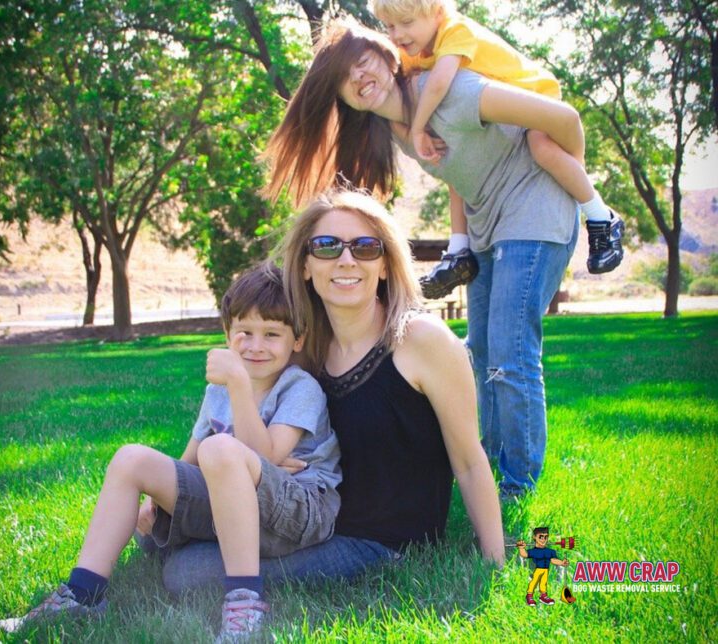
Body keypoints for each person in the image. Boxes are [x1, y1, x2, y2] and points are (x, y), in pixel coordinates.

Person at [262, 20, 580, 499]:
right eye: (344, 78)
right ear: (342, 98)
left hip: (536, 210)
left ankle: (518, 485)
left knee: (510, 352)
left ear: (388, 54)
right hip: (489, 225)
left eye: (363, 60)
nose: (359, 77)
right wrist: (461, 241)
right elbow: (461, 168)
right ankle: (492, 468)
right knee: (484, 352)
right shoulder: (399, 129)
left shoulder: (450, 91)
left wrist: (580, 192)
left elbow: (565, 117)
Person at [155, 190, 504, 597]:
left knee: (186, 572)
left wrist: (493, 564)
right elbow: (266, 435)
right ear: (305, 266)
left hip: (379, 542)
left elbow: (469, 461)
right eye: (326, 246)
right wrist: (268, 468)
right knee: (162, 528)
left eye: (365, 247)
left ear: (386, 265)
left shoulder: (421, 340)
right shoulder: (307, 349)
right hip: (307, 520)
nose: (346, 259)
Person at [0, 262, 341, 641]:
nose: (255, 346)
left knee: (221, 448)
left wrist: (239, 385)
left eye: (271, 334)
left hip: (297, 513)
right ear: (227, 334)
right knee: (132, 458)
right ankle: (83, 594)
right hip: (236, 510)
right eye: (244, 332)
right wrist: (158, 502)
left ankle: (245, 604)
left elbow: (265, 457)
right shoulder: (217, 393)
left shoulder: (299, 387)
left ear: (297, 340)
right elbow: (190, 462)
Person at [367, 0, 623, 297]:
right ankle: (459, 250)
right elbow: (401, 95)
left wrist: (418, 128)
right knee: (457, 167)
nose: (397, 34)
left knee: (542, 149)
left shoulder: (455, 30)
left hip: (533, 101)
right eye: (390, 26)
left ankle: (601, 216)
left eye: (407, 23)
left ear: (437, 13)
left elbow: (437, 84)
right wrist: (407, 130)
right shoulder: (412, 51)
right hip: (497, 122)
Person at [516, 527, 568, 607]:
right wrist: (521, 548)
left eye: (546, 537)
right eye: (540, 537)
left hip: (545, 570)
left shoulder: (550, 552)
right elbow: (524, 554)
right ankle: (529, 596)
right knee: (534, 581)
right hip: (539, 569)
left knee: (543, 583)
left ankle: (543, 596)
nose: (543, 539)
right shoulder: (534, 551)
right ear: (534, 537)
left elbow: (553, 560)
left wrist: (561, 562)